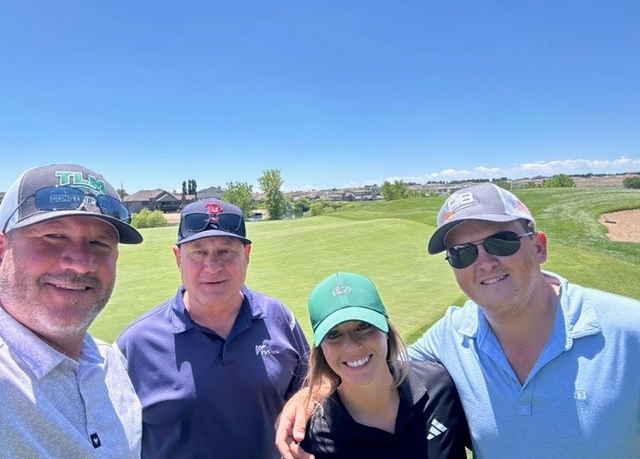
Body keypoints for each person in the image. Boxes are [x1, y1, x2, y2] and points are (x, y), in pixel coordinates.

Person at [276, 183, 640, 459]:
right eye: (462, 253)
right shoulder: (450, 338)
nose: (484, 263)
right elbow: (367, 363)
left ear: (539, 246)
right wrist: (309, 396)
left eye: (501, 242)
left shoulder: (629, 329)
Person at [117, 198, 310, 459]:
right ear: (178, 258)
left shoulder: (278, 317)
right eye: (198, 251)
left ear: (247, 255)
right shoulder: (136, 343)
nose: (213, 266)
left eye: (226, 251)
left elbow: (313, 386)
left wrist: (307, 395)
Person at [0, 163, 143, 458]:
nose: (80, 263)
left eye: (98, 243)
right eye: (54, 236)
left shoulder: (110, 361)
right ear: (3, 249)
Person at [299, 272, 469, 458]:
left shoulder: (439, 386)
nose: (352, 346)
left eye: (363, 326)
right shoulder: (314, 436)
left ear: (386, 330)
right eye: (333, 335)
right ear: (321, 349)